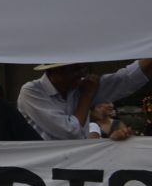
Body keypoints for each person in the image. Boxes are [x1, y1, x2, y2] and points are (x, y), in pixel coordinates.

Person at [18, 60, 152, 140]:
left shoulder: (78, 86)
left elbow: (125, 80)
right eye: (76, 69)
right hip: (47, 172)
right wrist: (87, 96)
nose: (82, 74)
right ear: (55, 71)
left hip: (80, 167)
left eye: (84, 68)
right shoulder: (32, 92)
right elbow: (70, 133)